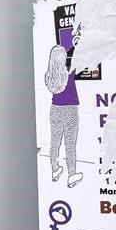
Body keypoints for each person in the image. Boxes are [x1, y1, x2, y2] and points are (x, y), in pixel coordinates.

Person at [44, 43, 84, 188]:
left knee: (54, 143)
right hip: (70, 111)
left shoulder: (48, 75)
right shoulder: (70, 71)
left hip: (54, 110)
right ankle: (72, 175)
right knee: (70, 145)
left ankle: (55, 170)